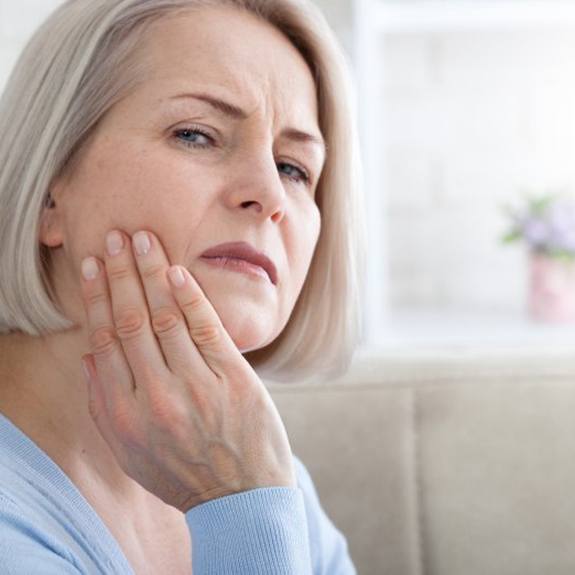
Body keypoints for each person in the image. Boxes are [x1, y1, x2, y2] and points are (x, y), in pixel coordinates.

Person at [0, 0, 365, 572]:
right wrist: (238, 507)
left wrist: (246, 495)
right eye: (196, 134)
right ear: (49, 190)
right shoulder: (247, 490)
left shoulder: (263, 475)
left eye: (295, 168)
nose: (269, 195)